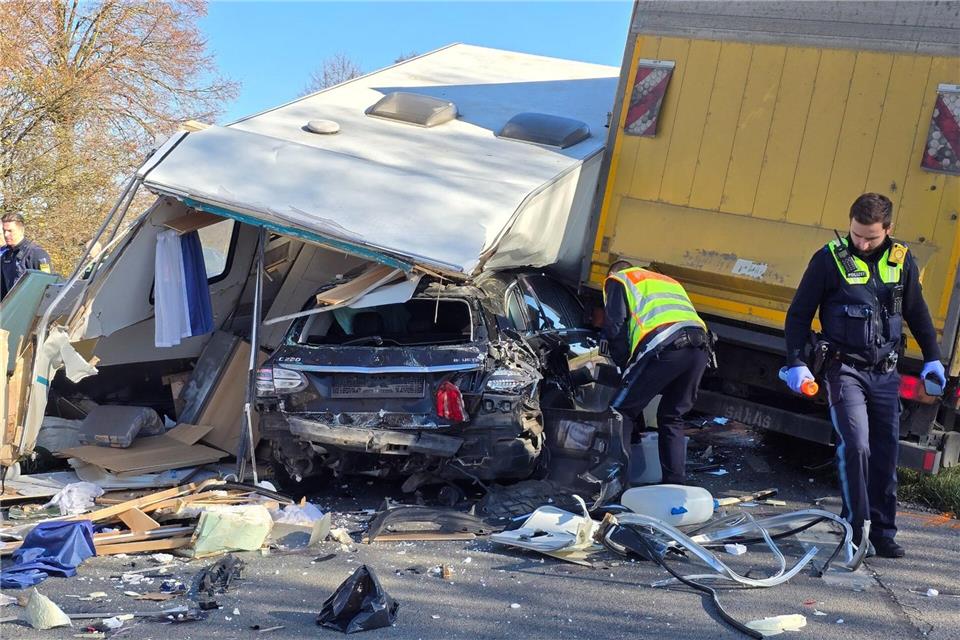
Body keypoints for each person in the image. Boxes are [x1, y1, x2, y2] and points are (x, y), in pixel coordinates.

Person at [783, 193, 945, 559]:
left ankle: (883, 532)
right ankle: (856, 530)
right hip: (844, 369)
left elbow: (917, 314)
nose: (862, 242)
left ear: (889, 229)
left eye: (870, 237)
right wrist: (796, 362)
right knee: (856, 445)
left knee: (886, 452)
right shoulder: (829, 260)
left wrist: (932, 359)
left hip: (885, 372)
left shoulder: (901, 262)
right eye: (856, 234)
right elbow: (798, 316)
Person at [603, 260, 711, 484]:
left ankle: (617, 484)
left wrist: (625, 369)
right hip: (700, 347)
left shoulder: (619, 279)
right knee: (672, 415)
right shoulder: (666, 281)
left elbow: (615, 328)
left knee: (619, 412)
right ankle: (674, 485)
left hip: (664, 344)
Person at [1, 213, 52, 300]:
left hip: (30, 307)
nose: (6, 235)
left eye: (10, 231)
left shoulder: (36, 253)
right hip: (11, 308)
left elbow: (48, 285)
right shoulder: (5, 255)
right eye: (4, 230)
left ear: (21, 230)